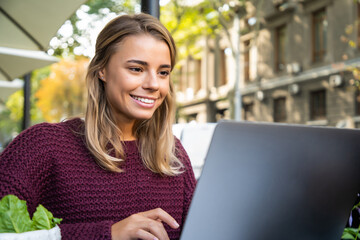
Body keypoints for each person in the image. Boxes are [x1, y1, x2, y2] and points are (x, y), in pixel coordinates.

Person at [0, 13, 196, 240]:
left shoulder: (173, 155)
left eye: (163, 72)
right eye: (136, 69)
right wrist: (107, 234)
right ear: (102, 70)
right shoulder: (43, 145)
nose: (153, 84)